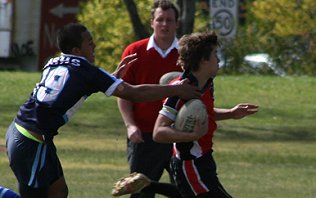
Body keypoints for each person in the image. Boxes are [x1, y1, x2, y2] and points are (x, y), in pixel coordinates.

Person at [5, 23, 200, 198]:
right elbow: (134, 94)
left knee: (59, 191)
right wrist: (176, 89)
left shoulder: (54, 62)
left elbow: (73, 88)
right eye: (89, 43)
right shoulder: (87, 70)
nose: (94, 46)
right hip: (31, 142)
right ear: (77, 50)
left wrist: (111, 78)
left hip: (23, 133)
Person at [112, 31, 259, 197]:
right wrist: (191, 135)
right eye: (215, 54)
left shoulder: (207, 83)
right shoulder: (180, 91)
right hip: (190, 163)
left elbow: (204, 114)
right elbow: (159, 132)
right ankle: (147, 185)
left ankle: (147, 185)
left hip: (204, 158)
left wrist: (231, 113)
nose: (218, 59)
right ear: (203, 60)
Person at [117, 0, 182, 197]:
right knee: (141, 191)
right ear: (152, 22)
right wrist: (130, 125)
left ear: (177, 23)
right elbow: (123, 92)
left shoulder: (188, 54)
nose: (164, 24)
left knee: (185, 191)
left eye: (169, 20)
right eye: (160, 19)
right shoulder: (134, 51)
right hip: (143, 137)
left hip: (178, 136)